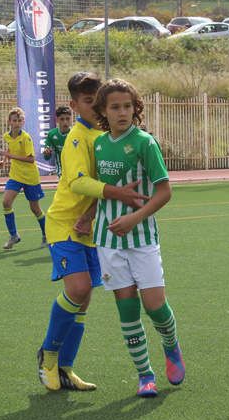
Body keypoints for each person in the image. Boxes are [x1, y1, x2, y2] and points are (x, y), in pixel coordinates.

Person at [37, 72, 150, 392]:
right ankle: (48, 355)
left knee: (84, 299)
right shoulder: (76, 138)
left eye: (97, 99)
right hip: (62, 224)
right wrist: (116, 194)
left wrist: (91, 213)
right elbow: (78, 183)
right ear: (74, 105)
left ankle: (66, 368)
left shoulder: (107, 135)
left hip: (91, 227)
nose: (95, 106)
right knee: (79, 288)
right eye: (88, 102)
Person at [90, 78, 185, 398]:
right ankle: (145, 374)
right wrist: (88, 216)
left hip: (142, 238)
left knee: (155, 306)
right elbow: (99, 188)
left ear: (136, 109)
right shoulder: (99, 144)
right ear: (103, 110)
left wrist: (133, 218)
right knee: (127, 310)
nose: (122, 112)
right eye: (115, 107)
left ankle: (171, 345)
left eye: (127, 106)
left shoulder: (145, 143)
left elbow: (164, 191)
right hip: (108, 241)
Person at [0, 107, 47, 248]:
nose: (17, 123)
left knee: (35, 209)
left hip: (30, 177)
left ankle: (46, 234)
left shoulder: (26, 138)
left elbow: (31, 159)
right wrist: (5, 161)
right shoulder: (7, 136)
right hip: (15, 176)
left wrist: (9, 156)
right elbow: (10, 148)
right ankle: (14, 236)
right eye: (14, 120)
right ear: (9, 122)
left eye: (19, 120)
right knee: (6, 203)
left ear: (23, 122)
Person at [43, 106, 73, 177]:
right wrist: (47, 153)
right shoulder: (52, 134)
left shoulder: (75, 134)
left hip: (75, 169)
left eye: (67, 119)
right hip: (61, 171)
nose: (65, 122)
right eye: (62, 119)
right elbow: (46, 157)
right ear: (57, 120)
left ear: (71, 119)